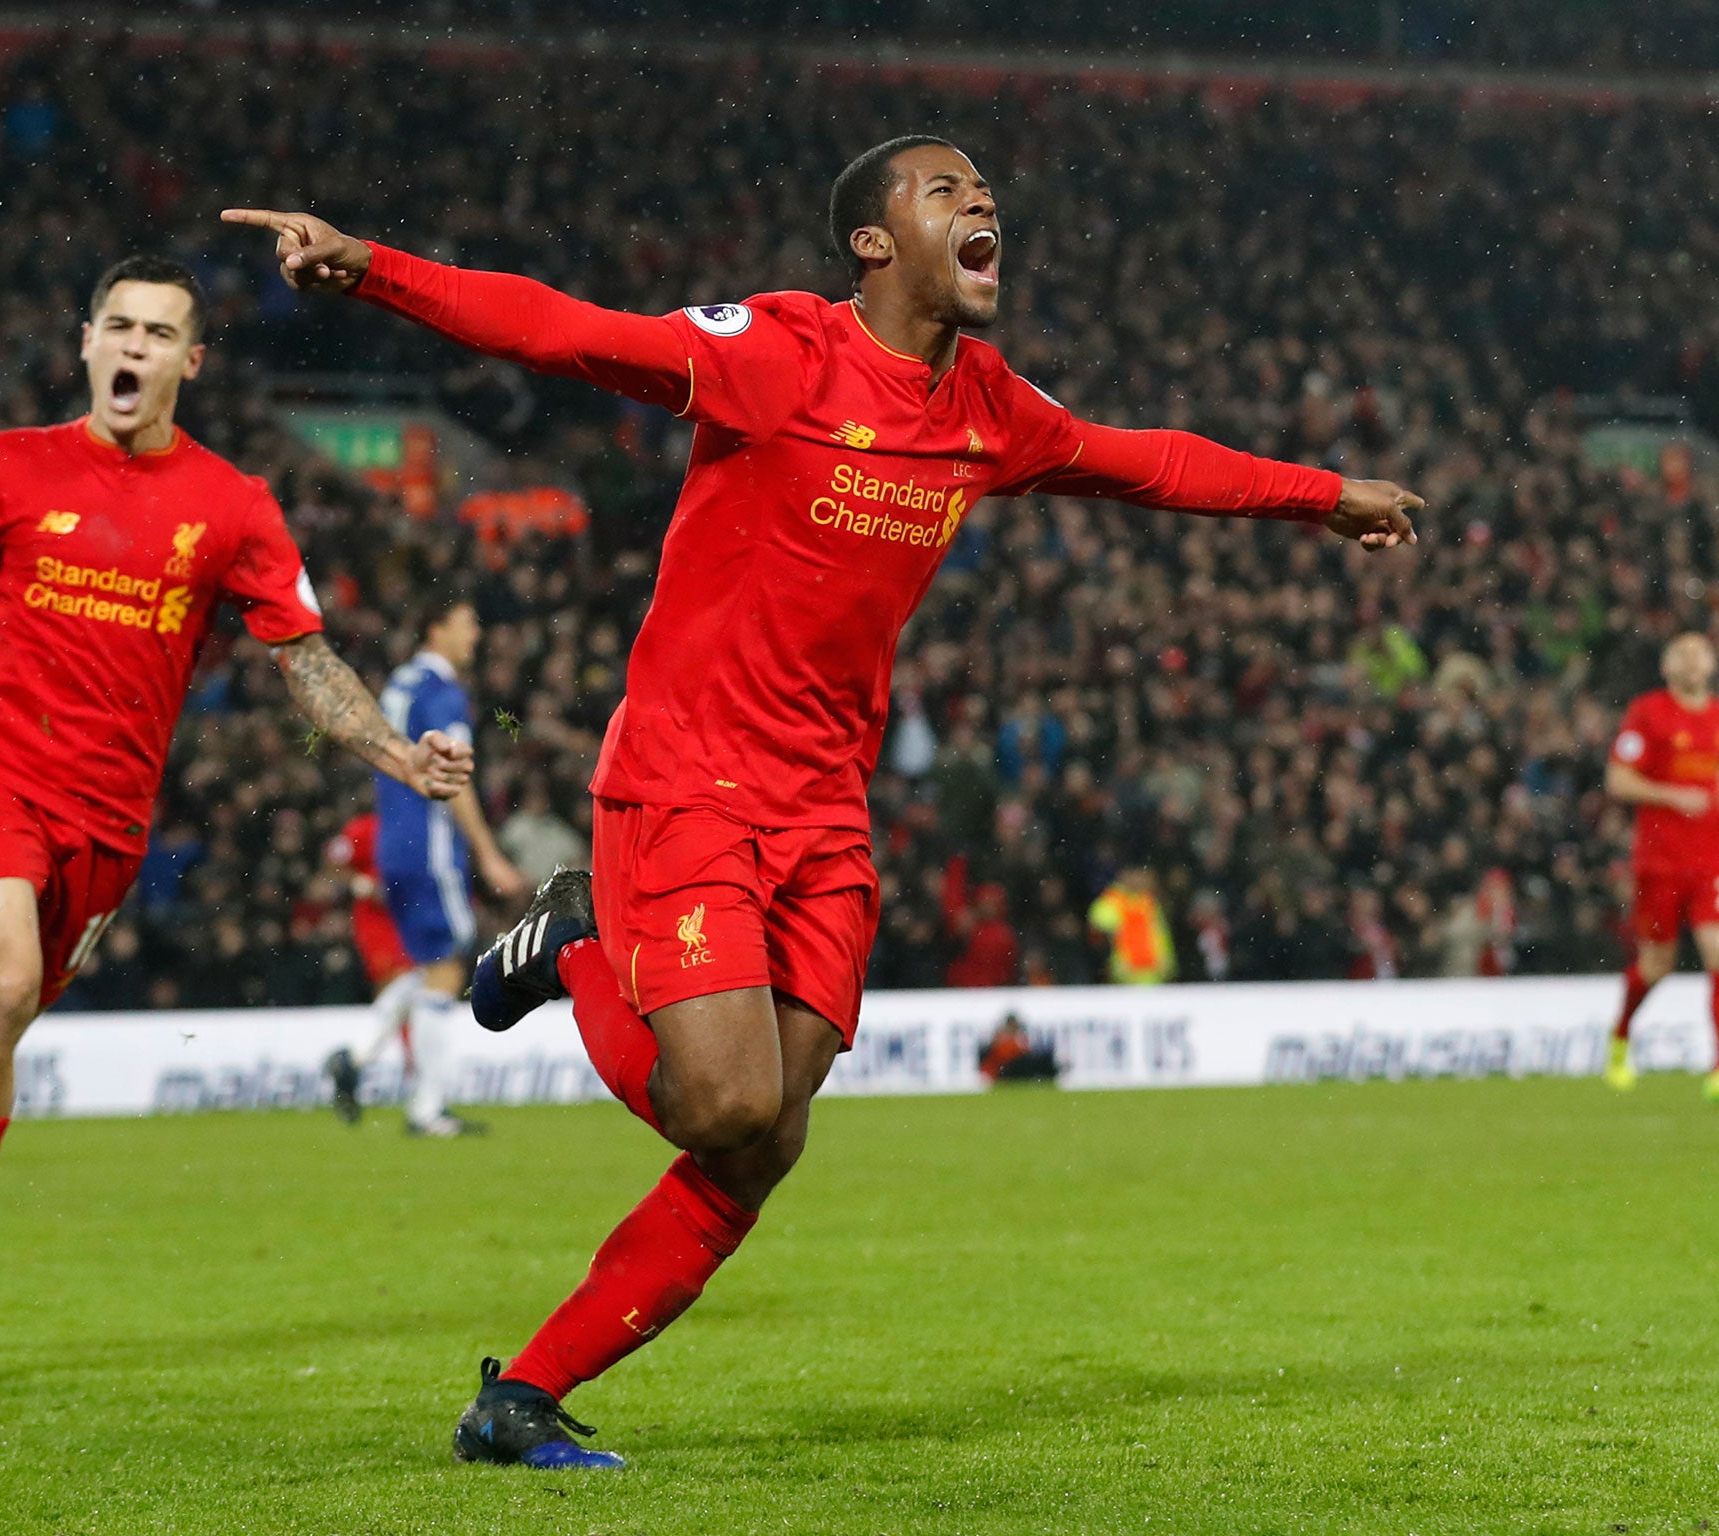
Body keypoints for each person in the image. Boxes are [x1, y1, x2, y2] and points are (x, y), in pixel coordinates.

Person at [227, 133, 1420, 1468]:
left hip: (825, 807)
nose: (984, 204)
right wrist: (372, 269)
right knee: (721, 1107)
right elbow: (570, 332)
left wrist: (1320, 498)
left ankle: (522, 1401)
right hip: (690, 775)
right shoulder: (778, 353)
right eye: (947, 190)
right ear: (872, 240)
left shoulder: (987, 407)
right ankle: (574, 945)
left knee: (764, 1142)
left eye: (987, 190)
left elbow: (1142, 461)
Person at [0, 256, 473, 1363]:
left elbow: (304, 657)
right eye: (118, 326)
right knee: (2, 979)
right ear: (86, 344)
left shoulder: (232, 505)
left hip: (108, 817)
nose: (134, 347)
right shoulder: (4, 466)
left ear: (188, 363)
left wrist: (394, 753)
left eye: (158, 333)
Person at [323, 595, 526, 1136]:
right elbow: (450, 775)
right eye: (466, 624)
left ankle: (357, 1055)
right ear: (435, 629)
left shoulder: (400, 684)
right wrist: (487, 852)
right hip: (430, 840)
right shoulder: (440, 693)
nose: (475, 636)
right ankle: (428, 1109)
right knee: (447, 965)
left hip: (394, 838)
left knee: (425, 963)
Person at [1602, 632, 1719, 1095]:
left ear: (1711, 665)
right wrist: (1671, 795)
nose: (1693, 661)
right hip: (1660, 862)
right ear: (1667, 667)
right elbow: (1617, 779)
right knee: (1656, 967)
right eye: (1682, 654)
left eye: (1700, 654)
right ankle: (1620, 1036)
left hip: (1711, 864)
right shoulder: (1648, 713)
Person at [1087, 869, 1178, 986]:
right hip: (1125, 972)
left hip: (1153, 970)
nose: (1144, 881)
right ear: (1126, 876)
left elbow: (1160, 934)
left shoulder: (1148, 901)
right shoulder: (1113, 900)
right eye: (1140, 876)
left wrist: (1168, 963)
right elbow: (1097, 925)